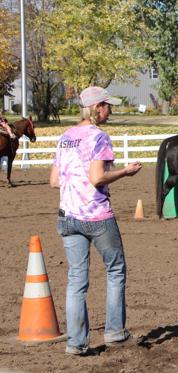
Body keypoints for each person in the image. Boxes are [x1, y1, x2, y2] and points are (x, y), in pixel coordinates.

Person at [49, 86, 142, 355]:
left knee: (76, 280)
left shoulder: (65, 137)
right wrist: (126, 171)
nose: (110, 110)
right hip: (96, 215)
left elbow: (54, 181)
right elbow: (97, 178)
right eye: (108, 106)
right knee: (115, 270)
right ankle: (115, 331)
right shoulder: (99, 137)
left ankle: (76, 343)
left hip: (68, 216)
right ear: (98, 107)